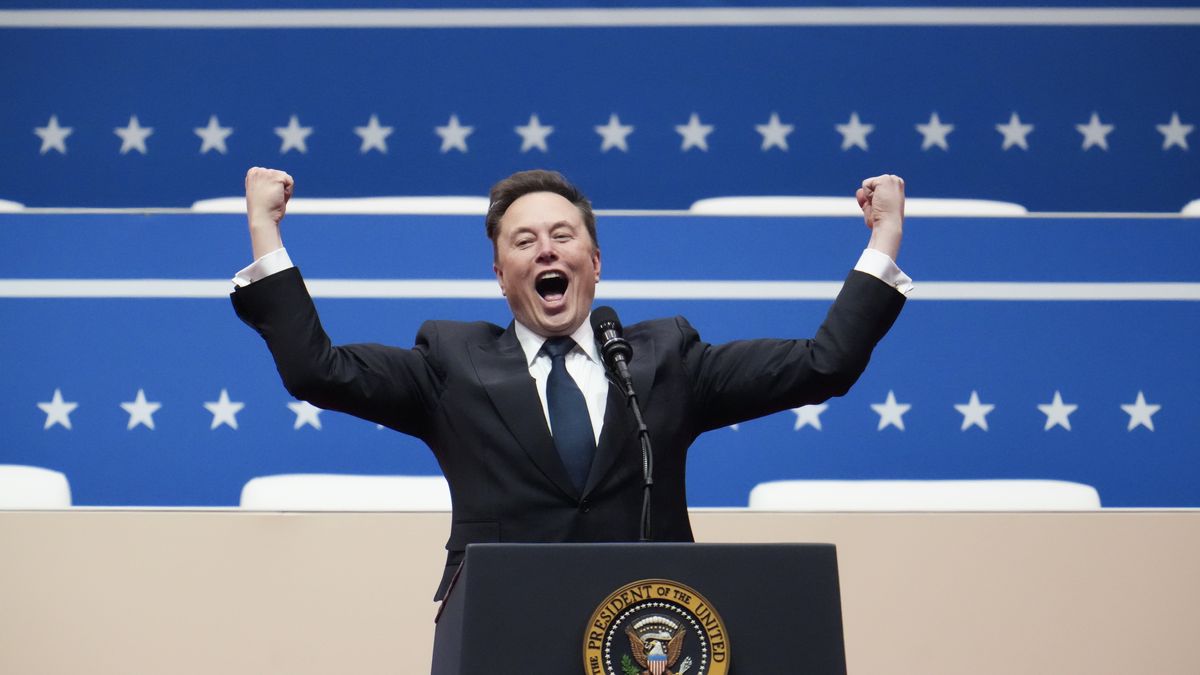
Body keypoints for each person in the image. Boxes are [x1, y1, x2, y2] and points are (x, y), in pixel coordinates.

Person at [232, 167, 910, 600]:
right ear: (500, 275)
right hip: (502, 628)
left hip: (650, 629)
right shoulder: (449, 362)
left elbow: (826, 364)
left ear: (594, 262)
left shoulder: (666, 356)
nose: (546, 249)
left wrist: (883, 238)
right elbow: (317, 369)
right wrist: (265, 230)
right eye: (524, 242)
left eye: (562, 235)